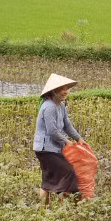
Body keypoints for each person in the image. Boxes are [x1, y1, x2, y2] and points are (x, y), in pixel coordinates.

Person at [33, 73, 84, 204]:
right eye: (63, 89)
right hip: (45, 149)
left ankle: (45, 208)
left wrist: (78, 138)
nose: (65, 92)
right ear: (54, 91)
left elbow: (66, 124)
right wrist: (66, 141)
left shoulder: (60, 105)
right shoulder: (49, 106)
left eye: (67, 88)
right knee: (68, 172)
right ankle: (59, 204)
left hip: (53, 148)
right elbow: (52, 131)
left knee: (49, 179)